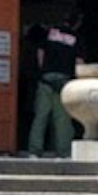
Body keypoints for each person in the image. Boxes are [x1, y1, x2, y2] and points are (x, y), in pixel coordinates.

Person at [26, 16, 80, 154]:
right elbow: (79, 62)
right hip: (64, 81)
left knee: (40, 116)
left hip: (46, 79)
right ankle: (64, 151)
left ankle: (34, 150)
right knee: (62, 119)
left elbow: (40, 53)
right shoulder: (76, 37)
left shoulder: (49, 33)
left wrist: (42, 70)